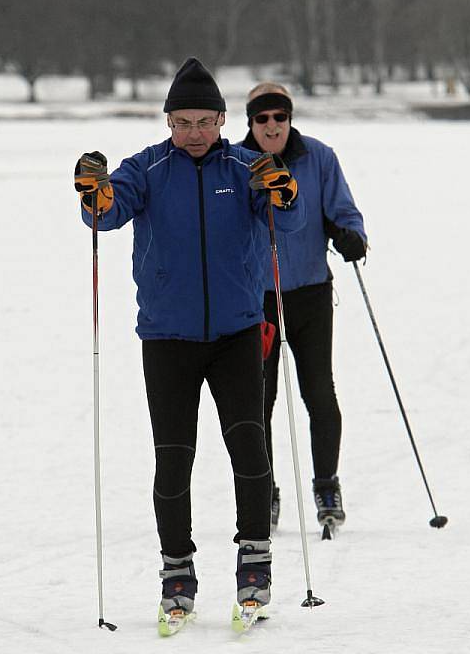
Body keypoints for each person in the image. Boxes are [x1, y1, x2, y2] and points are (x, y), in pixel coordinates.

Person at [74, 59, 305, 624]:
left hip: (236, 332)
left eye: (204, 121)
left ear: (224, 120)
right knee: (173, 459)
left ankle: (255, 561)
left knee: (249, 447)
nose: (194, 133)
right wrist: (94, 196)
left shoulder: (249, 164)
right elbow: (105, 215)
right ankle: (176, 569)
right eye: (183, 122)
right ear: (168, 122)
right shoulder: (147, 168)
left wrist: (286, 195)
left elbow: (288, 223)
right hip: (167, 337)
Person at [240, 82, 367, 531]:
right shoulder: (237, 164)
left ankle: (326, 485)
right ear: (250, 122)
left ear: (289, 118)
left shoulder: (319, 157)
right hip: (257, 301)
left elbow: (343, 211)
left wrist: (350, 236)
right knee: (259, 399)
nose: (271, 125)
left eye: (279, 116)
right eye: (262, 118)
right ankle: (265, 489)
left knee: (319, 392)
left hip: (311, 292)